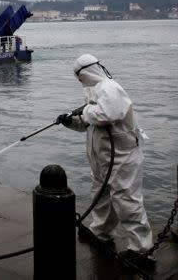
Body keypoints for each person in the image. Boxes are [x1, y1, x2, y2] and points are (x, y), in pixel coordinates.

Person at [56, 54, 153, 263]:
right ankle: (101, 233)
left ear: (88, 72)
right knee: (100, 196)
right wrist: (70, 120)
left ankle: (141, 249)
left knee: (127, 200)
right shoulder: (92, 91)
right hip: (102, 158)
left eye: (80, 76)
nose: (80, 81)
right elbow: (88, 123)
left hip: (122, 158)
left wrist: (86, 110)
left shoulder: (109, 88)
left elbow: (106, 115)